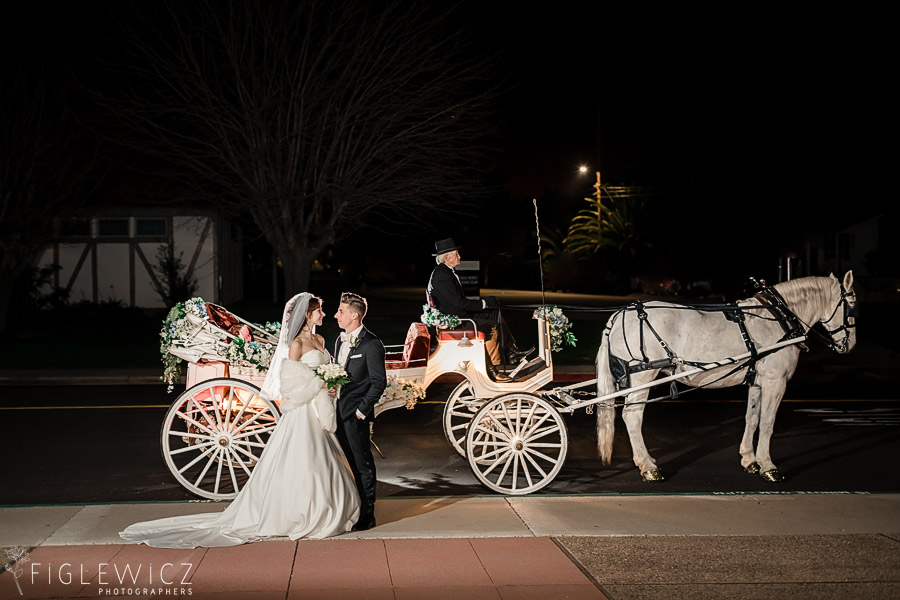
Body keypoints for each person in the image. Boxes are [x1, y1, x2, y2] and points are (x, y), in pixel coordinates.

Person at [119, 293, 360, 548]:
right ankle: (299, 512)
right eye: (320, 311)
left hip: (320, 408)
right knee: (308, 462)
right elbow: (290, 385)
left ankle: (326, 508)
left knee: (327, 462)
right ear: (308, 314)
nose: (324, 315)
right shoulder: (297, 343)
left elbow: (324, 372)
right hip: (302, 411)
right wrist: (318, 383)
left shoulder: (320, 339)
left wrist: (330, 385)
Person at [426, 237, 533, 379]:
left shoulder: (444, 272)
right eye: (457, 254)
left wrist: (486, 304)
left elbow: (458, 302)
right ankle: (493, 370)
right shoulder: (442, 276)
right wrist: (483, 303)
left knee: (494, 312)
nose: (460, 257)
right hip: (454, 320)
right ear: (447, 257)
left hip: (455, 314)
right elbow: (459, 304)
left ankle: (511, 350)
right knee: (491, 326)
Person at [332, 292, 386, 531]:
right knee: (350, 464)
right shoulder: (339, 340)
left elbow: (378, 382)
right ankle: (355, 506)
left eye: (341, 311)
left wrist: (361, 412)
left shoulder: (372, 344)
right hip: (337, 413)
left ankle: (368, 514)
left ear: (354, 315)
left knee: (363, 464)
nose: (336, 315)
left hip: (355, 416)